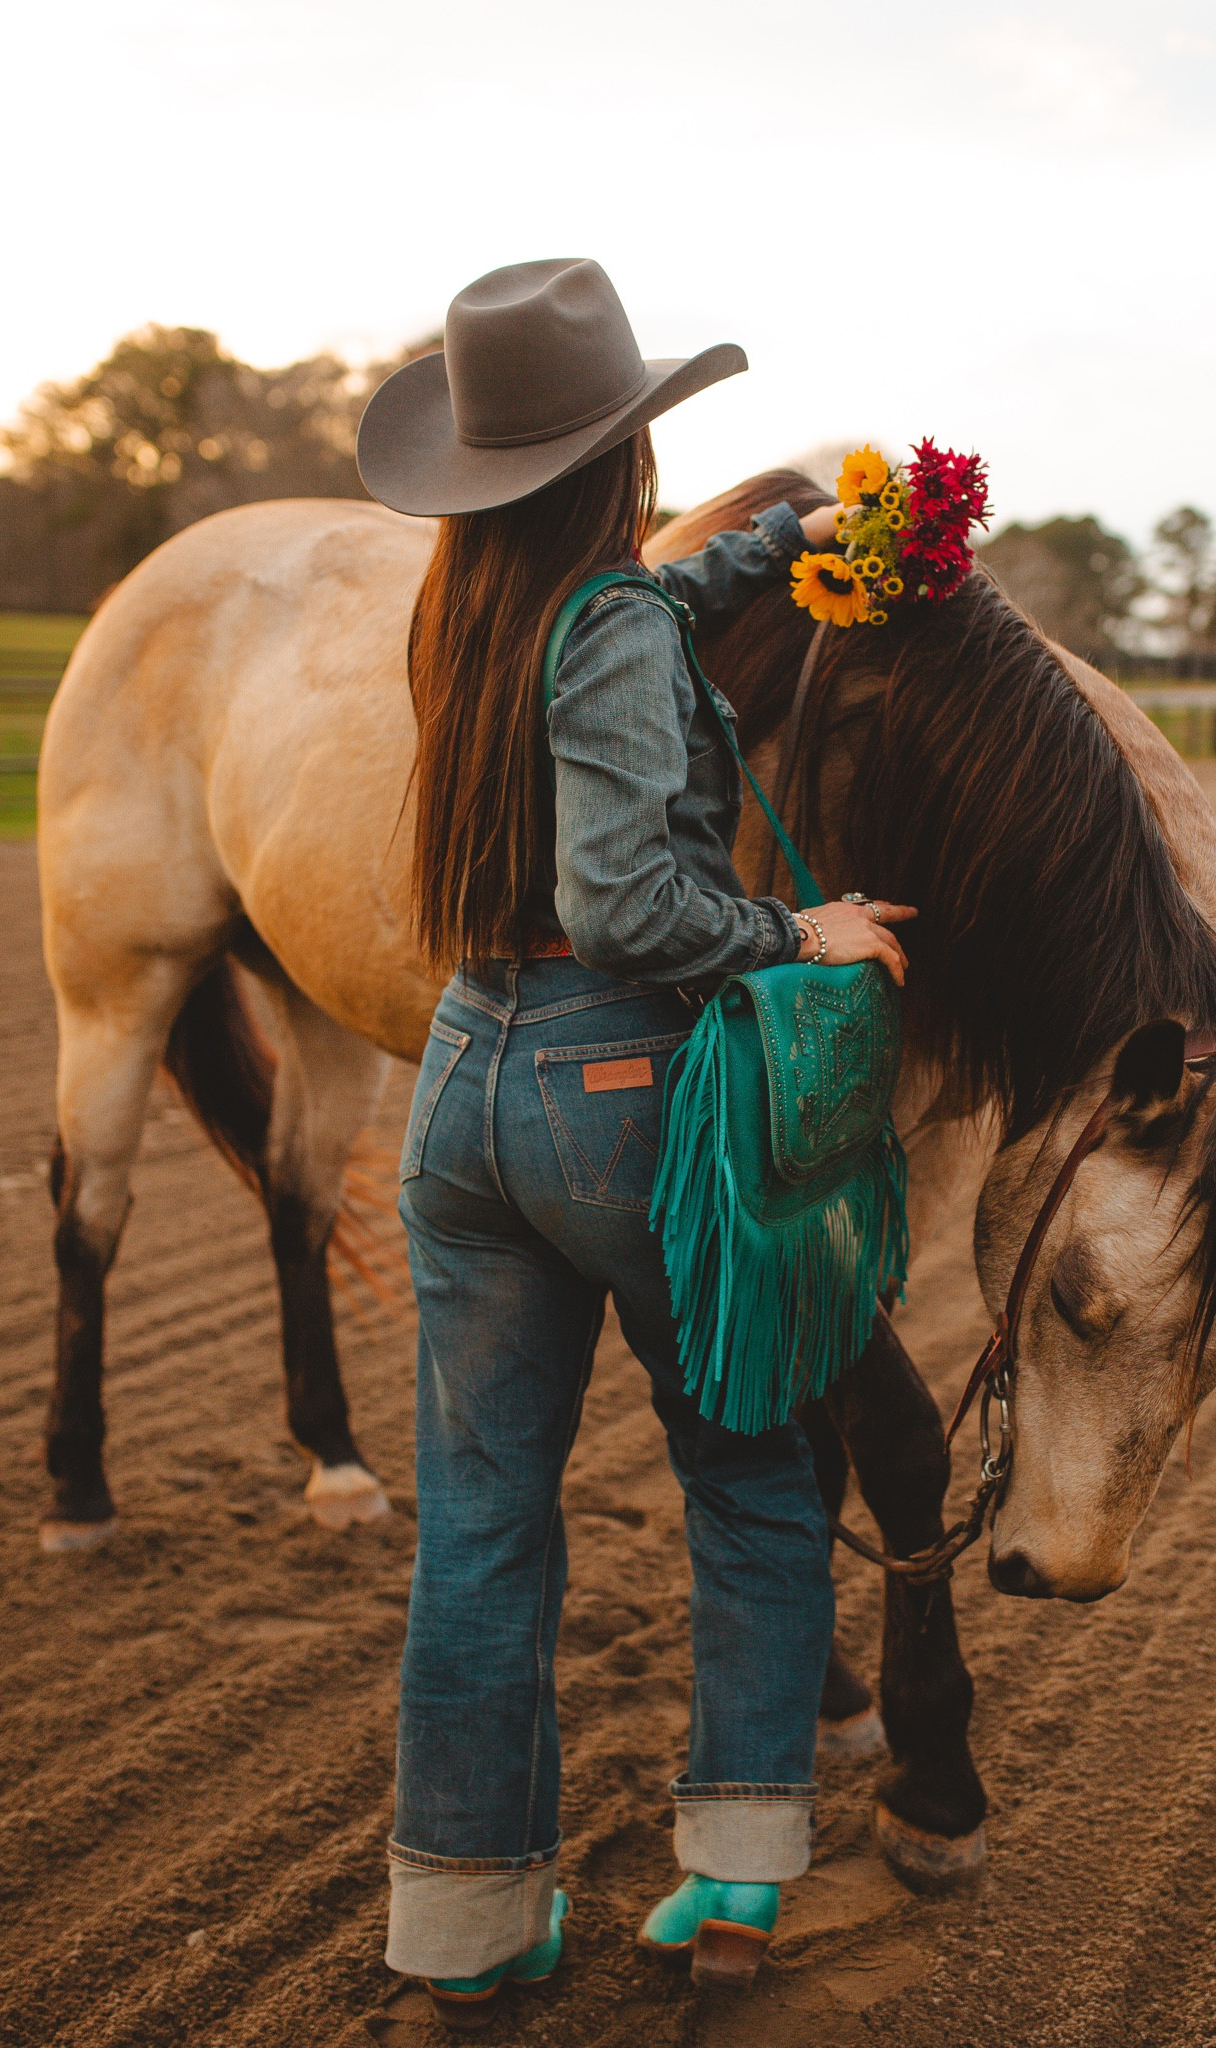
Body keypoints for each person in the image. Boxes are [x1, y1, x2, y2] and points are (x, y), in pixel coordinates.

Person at [355, 258, 914, 2028]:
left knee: (484, 1527)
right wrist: (795, 936)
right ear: (616, 456)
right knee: (750, 1476)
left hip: (464, 1088)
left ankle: (471, 1923)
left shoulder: (479, 601)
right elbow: (626, 902)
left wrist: (800, 536)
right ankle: (736, 1868)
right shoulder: (606, 620)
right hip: (617, 1096)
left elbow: (657, 607)